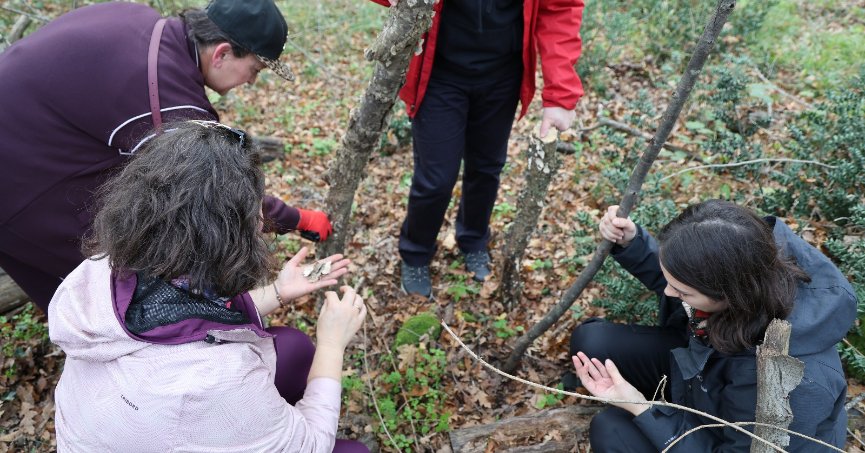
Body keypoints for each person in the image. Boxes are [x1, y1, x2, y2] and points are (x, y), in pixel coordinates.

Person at [48, 121, 369, 452]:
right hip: (186, 408)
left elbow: (183, 322)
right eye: (255, 209)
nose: (262, 221)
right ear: (223, 233)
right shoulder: (217, 380)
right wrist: (332, 343)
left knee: (294, 347)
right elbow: (311, 446)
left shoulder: (111, 265)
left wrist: (277, 291)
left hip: (134, 421)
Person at [0, 0, 332, 312]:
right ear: (222, 53)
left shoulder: (140, 20)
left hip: (31, 142)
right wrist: (298, 219)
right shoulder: (168, 97)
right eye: (254, 69)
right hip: (23, 187)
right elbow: (220, 194)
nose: (252, 81)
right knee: (116, 299)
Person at [569, 200, 857, 452]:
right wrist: (633, 244)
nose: (668, 292)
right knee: (592, 344)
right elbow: (686, 279)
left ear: (728, 295)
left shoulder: (794, 385)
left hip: (736, 429)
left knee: (612, 430)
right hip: (707, 377)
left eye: (682, 291)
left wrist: (639, 406)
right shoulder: (749, 264)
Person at [372, 0, 585, 297]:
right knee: (436, 179)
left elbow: (560, 8)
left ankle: (473, 240)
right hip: (439, 74)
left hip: (503, 73)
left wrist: (560, 94)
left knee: (486, 167)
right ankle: (416, 253)